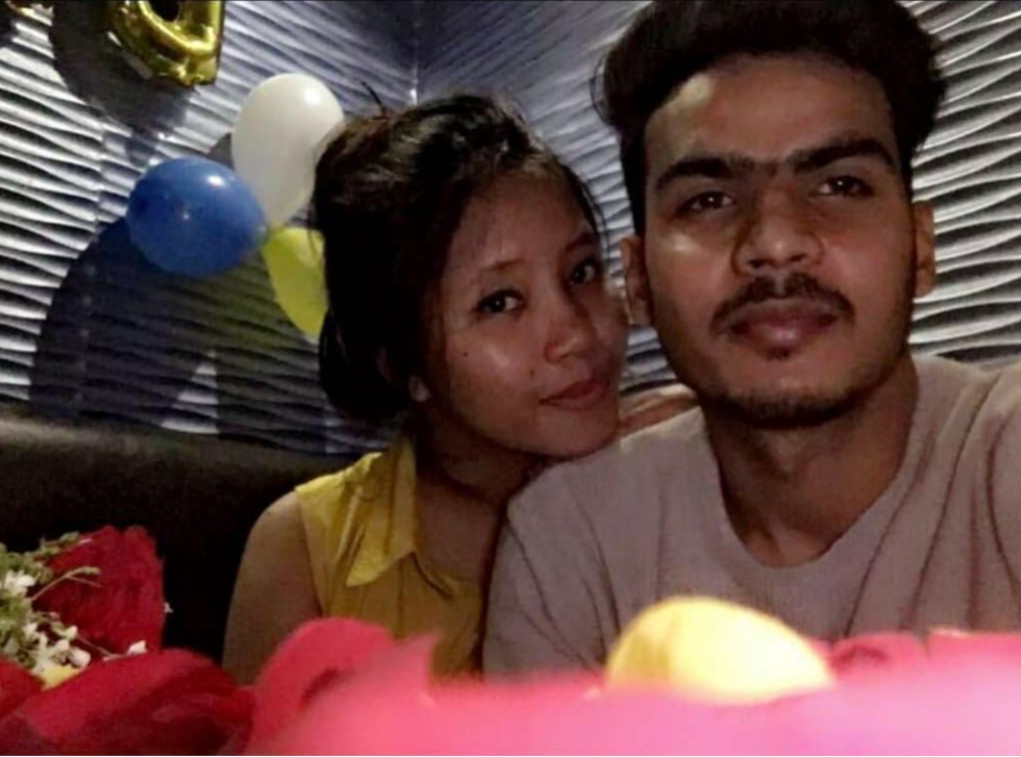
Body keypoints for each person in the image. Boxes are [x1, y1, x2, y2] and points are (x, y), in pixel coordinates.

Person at [484, 0, 1021, 675]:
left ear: (920, 248)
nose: (776, 241)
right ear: (637, 281)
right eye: (707, 200)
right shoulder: (572, 540)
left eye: (839, 185)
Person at [224, 95, 693, 683]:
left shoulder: (680, 459)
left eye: (582, 271)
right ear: (404, 364)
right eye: (500, 302)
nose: (576, 333)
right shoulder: (306, 548)